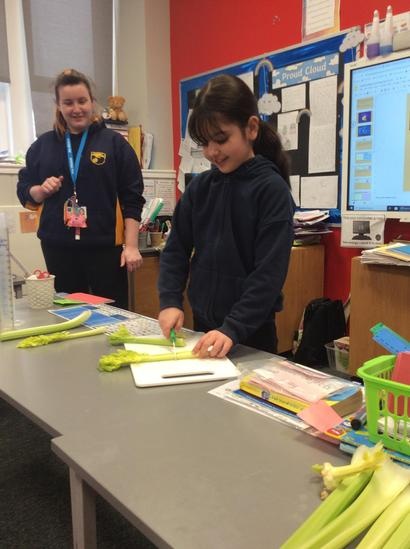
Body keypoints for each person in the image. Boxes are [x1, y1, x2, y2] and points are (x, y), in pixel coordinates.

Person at [158, 74, 295, 358]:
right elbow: (176, 249)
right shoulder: (200, 188)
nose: (212, 152)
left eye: (221, 139)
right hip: (204, 328)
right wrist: (170, 301)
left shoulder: (271, 190)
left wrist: (233, 328)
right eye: (204, 143)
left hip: (250, 334)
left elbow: (268, 275)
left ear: (251, 128)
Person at [17, 68, 145, 309]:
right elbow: (25, 189)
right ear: (58, 105)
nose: (76, 108)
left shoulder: (114, 144)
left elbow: (132, 198)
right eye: (68, 103)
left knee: (112, 315)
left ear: (92, 102)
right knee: (69, 313)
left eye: (82, 101)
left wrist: (131, 246)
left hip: (105, 248)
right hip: (58, 247)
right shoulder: (42, 146)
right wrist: (41, 191)